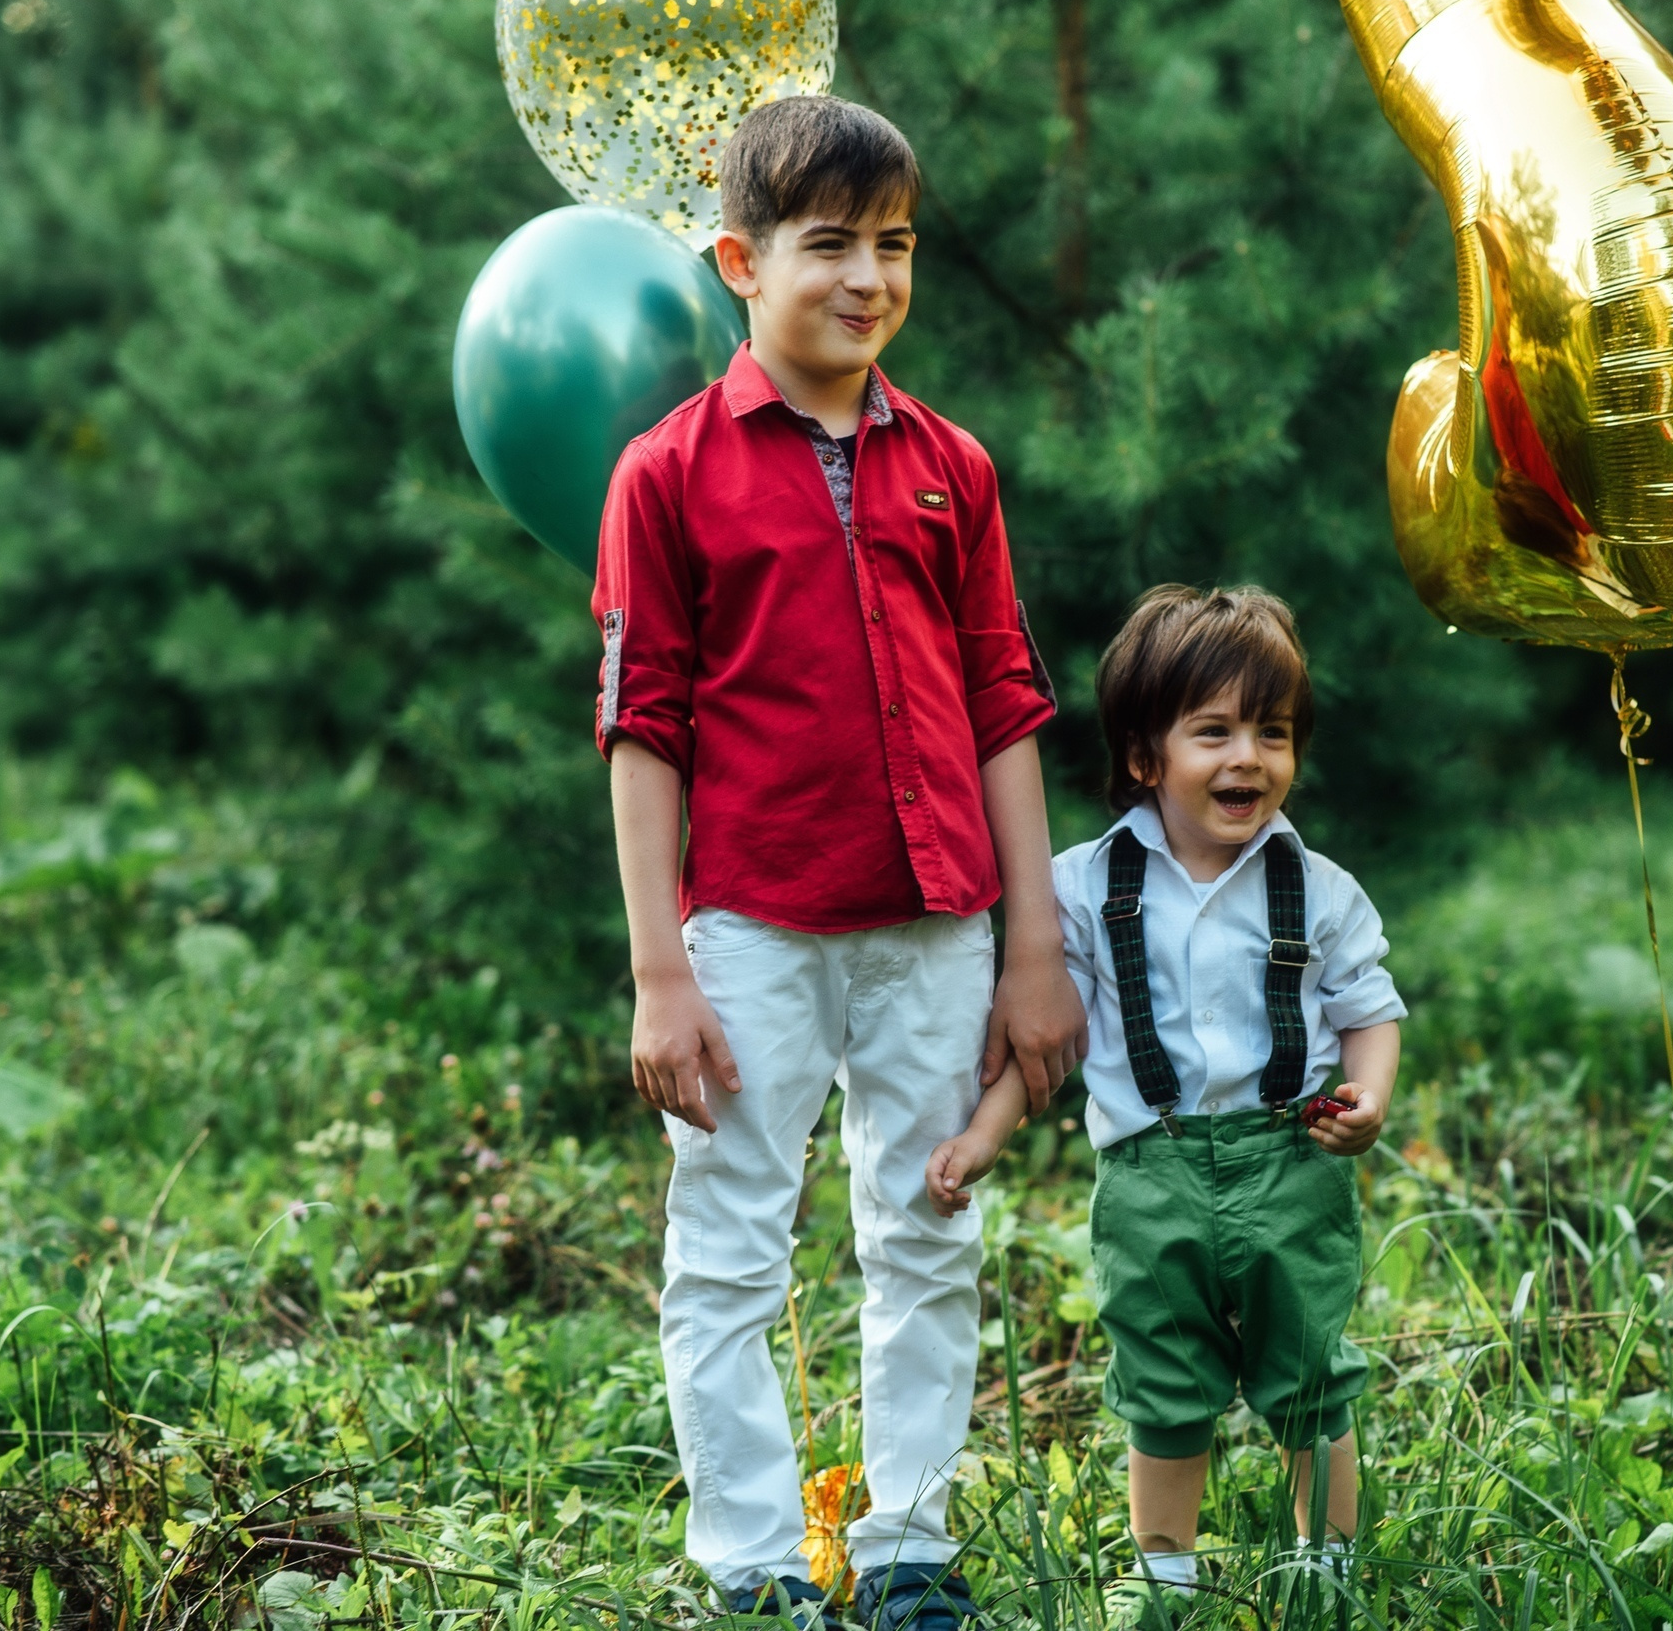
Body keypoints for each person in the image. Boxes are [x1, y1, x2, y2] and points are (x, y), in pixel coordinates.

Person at [595, 95, 1086, 1630]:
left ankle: (909, 1550)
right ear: (740, 261)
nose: (868, 277)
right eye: (829, 245)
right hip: (749, 929)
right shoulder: (665, 474)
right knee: (731, 1255)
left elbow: (1005, 702)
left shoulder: (953, 466)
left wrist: (1032, 945)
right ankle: (750, 1567)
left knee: (928, 1230)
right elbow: (644, 727)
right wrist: (661, 971)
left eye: (895, 245)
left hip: (937, 926)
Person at [927, 585, 1404, 1617]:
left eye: (1271, 733)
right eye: (1214, 731)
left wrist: (1367, 1096)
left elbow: (1370, 1007)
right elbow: (1048, 1035)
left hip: (1290, 1161)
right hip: (1150, 1175)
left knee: (1309, 1368)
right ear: (1146, 755)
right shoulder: (1085, 886)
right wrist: (983, 1133)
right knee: (1163, 1377)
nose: (1248, 757)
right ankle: (1163, 1570)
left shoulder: (1317, 886)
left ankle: (1326, 1563)